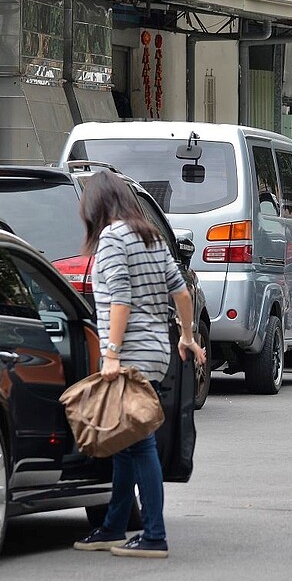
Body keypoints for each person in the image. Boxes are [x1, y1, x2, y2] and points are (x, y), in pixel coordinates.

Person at [72, 170, 206, 559]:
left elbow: (121, 300)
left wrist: (110, 353)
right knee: (126, 441)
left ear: (96, 204)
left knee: (138, 441)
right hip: (156, 350)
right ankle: (114, 525)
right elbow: (180, 290)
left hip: (128, 353)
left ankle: (153, 534)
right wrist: (186, 335)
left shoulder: (113, 238)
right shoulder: (149, 233)